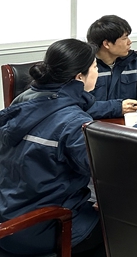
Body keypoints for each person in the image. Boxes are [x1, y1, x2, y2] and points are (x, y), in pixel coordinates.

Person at [0, 39, 105, 256]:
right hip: (44, 226)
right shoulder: (73, 122)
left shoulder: (21, 101)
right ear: (79, 77)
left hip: (8, 216)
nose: (98, 72)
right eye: (95, 67)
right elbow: (103, 169)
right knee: (119, 229)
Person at [85, 15, 137, 119]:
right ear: (107, 44)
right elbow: (80, 107)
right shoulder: (86, 68)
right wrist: (117, 108)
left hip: (129, 123)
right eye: (124, 38)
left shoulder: (131, 63)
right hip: (95, 126)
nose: (129, 42)